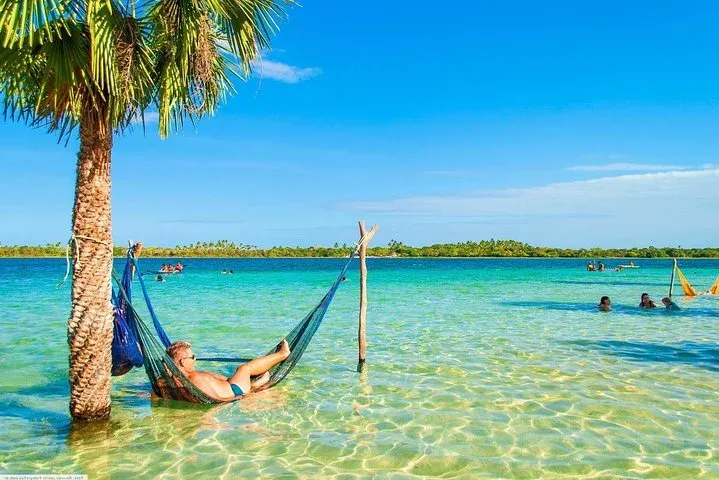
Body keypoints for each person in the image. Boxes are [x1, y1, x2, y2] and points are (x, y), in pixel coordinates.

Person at [166, 339, 291, 400]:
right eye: (192, 357)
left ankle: (254, 383)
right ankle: (283, 354)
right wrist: (249, 394)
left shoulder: (164, 382)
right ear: (182, 361)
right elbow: (216, 401)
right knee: (244, 368)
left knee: (224, 375)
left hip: (229, 385)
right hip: (236, 390)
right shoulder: (195, 379)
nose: (195, 359)